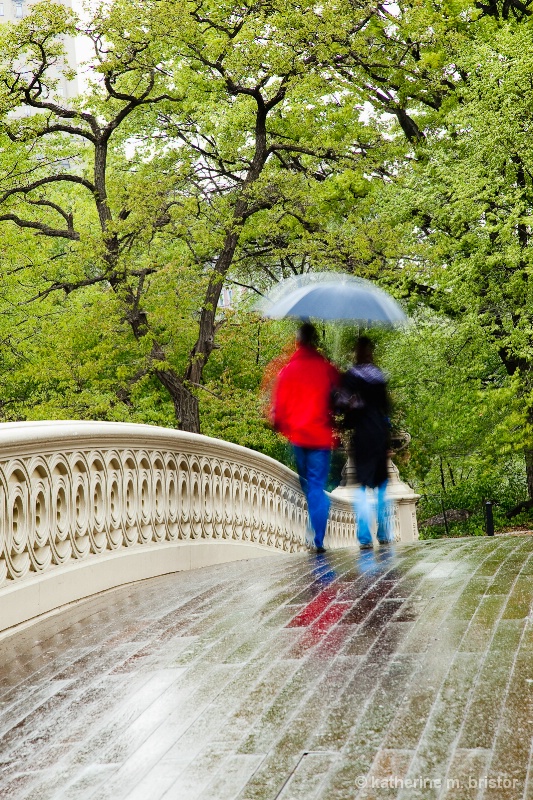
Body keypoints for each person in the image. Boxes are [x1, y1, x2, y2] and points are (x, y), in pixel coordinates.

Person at [270, 322, 340, 553]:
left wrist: (281, 424)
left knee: (309, 486)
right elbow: (340, 399)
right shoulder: (327, 369)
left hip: (298, 438)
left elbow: (278, 412)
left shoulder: (288, 371)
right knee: (316, 487)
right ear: (316, 341)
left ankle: (315, 530)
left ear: (298, 341)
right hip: (320, 437)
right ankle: (317, 536)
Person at [340, 336, 393, 549]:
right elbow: (386, 409)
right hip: (379, 434)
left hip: (362, 435)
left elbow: (342, 404)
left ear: (356, 353)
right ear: (371, 353)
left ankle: (364, 537)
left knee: (362, 486)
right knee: (381, 486)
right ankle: (384, 533)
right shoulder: (379, 376)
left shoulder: (351, 377)